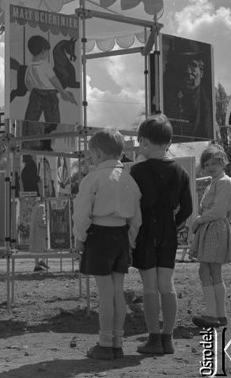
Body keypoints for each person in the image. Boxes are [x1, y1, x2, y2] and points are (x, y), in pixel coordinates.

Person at [73, 129, 141, 360]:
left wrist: (79, 238)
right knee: (117, 292)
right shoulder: (130, 180)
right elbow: (136, 219)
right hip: (121, 235)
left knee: (104, 294)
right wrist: (129, 241)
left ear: (98, 153)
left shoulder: (92, 179)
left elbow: (82, 214)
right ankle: (117, 342)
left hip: (99, 236)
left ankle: (104, 343)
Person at [130, 115, 193, 355]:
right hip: (168, 231)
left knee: (149, 287)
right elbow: (186, 208)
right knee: (167, 285)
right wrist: (173, 224)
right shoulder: (180, 172)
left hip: (145, 230)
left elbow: (131, 206)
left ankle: (153, 338)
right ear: (169, 141)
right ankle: (168, 338)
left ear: (144, 141)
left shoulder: (136, 171)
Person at [189, 145, 231, 329]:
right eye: (207, 164)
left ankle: (212, 314)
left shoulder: (224, 182)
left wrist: (199, 220)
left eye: (214, 163)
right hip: (212, 227)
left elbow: (218, 210)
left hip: (214, 227)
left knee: (207, 271)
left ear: (223, 162)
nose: (210, 167)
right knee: (213, 272)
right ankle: (219, 314)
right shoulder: (216, 182)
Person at [22, 35, 77, 151]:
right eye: (47, 51)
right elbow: (54, 80)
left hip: (36, 94)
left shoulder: (30, 66)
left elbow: (27, 81)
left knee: (31, 119)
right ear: (43, 51)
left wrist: (33, 90)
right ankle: (48, 144)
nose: (48, 53)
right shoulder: (45, 65)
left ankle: (29, 144)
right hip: (49, 95)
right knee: (53, 121)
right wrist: (62, 92)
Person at [162, 38, 214, 141]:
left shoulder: (207, 104)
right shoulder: (167, 97)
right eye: (183, 64)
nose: (187, 71)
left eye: (193, 65)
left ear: (202, 72)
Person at [29, 201, 49, 272]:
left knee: (36, 249)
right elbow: (41, 221)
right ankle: (42, 261)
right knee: (44, 248)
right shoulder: (42, 207)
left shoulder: (35, 207)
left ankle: (37, 265)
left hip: (35, 231)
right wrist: (48, 225)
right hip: (40, 232)